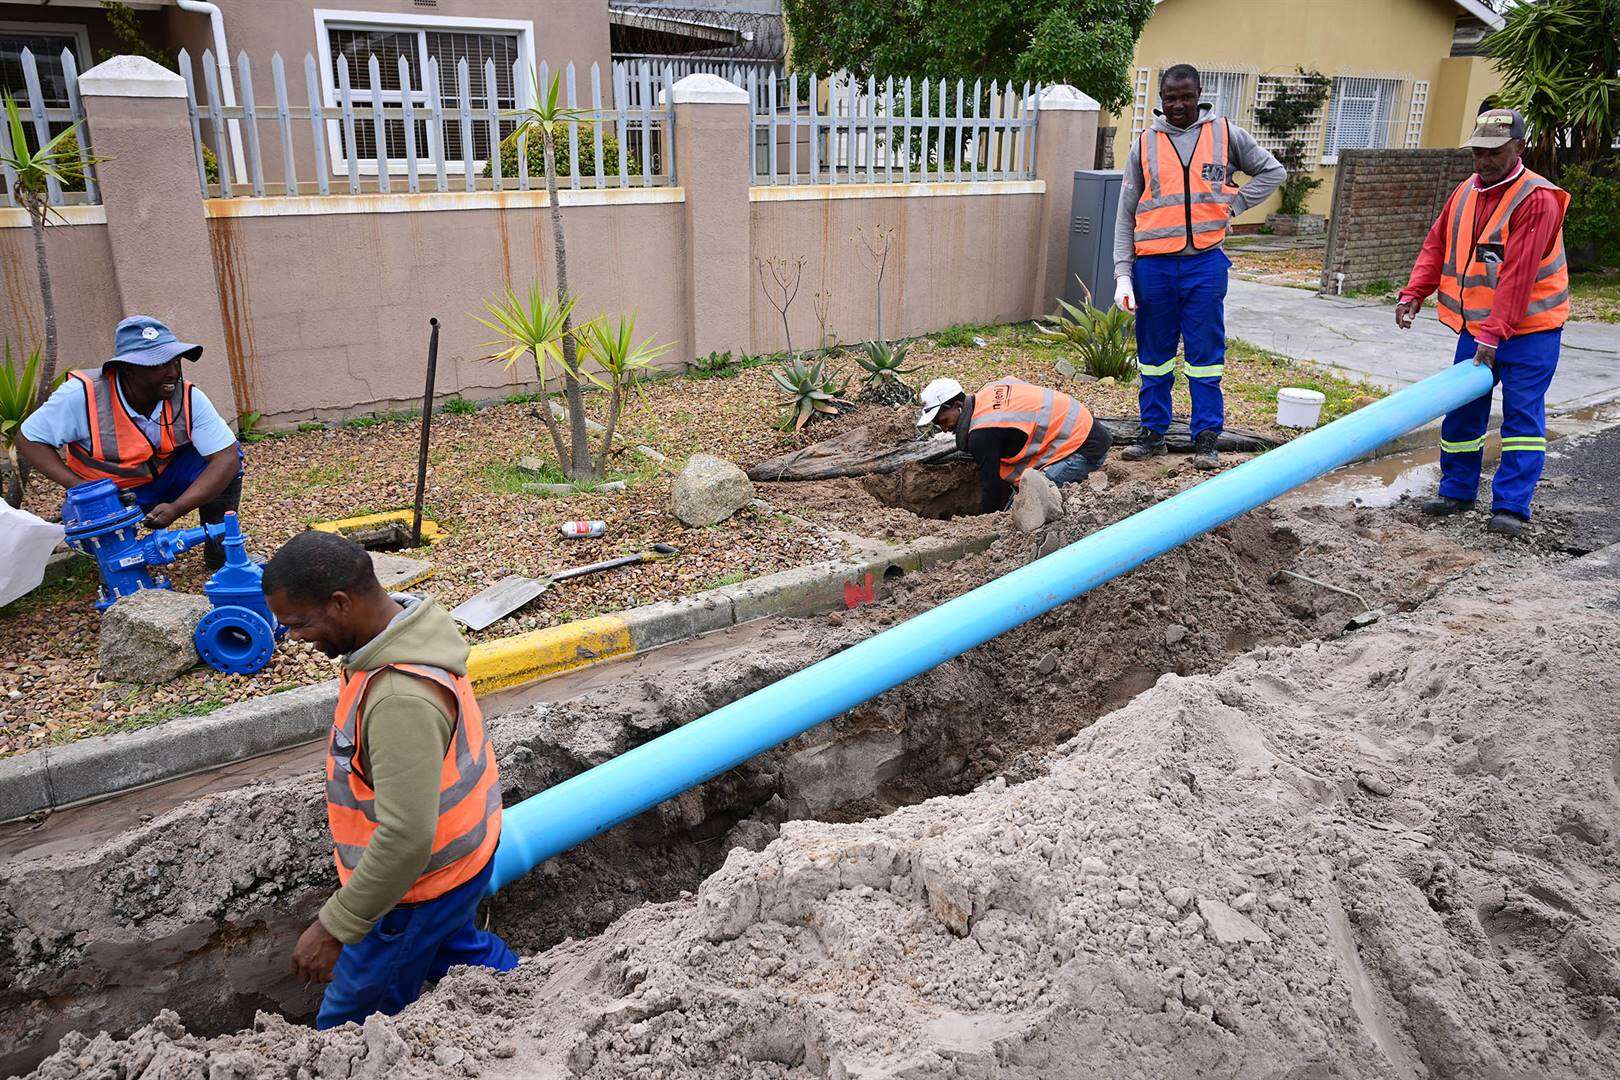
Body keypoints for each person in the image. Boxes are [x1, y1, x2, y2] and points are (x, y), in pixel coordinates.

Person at [263, 530, 516, 1029]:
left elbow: (405, 837)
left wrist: (335, 926)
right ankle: (527, 994)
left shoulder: (399, 696)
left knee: (350, 1022)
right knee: (454, 949)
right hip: (459, 862)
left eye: (296, 623)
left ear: (340, 603)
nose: (292, 637)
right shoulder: (398, 636)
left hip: (416, 889)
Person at [1394, 108, 1569, 538]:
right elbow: (1437, 244)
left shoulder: (1537, 199)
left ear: (1519, 148)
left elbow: (1519, 275)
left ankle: (1511, 506)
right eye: (1477, 151)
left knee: (1522, 417)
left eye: (1494, 152)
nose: (1484, 161)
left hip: (1531, 331)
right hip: (1479, 329)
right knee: (1463, 409)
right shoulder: (1466, 191)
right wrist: (1415, 292)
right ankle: (1456, 490)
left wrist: (1492, 336)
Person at [1112, 64, 1286, 470]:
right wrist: (1123, 273)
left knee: (1205, 355)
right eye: (1170, 98)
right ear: (1160, 99)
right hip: (1153, 267)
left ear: (1199, 94)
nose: (1178, 105)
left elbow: (1272, 171)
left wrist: (1235, 206)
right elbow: (1125, 214)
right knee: (1153, 356)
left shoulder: (1225, 135)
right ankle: (1153, 432)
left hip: (1205, 264)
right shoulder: (1145, 144)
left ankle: (1206, 436)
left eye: (1185, 96)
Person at [16, 315, 243, 568]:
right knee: (92, 544)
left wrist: (177, 508)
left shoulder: (189, 396)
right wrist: (82, 488)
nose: (173, 372)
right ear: (127, 369)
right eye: (159, 365)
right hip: (107, 492)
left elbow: (226, 458)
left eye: (175, 361)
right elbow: (29, 439)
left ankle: (221, 555)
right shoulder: (83, 396)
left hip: (165, 482)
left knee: (229, 459)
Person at [915, 376, 1111, 514]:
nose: (944, 429)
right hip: (1085, 427)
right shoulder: (990, 389)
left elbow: (990, 485)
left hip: (1086, 449)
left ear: (958, 406)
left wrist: (987, 521)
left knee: (1030, 494)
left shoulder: (982, 435)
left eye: (943, 420)